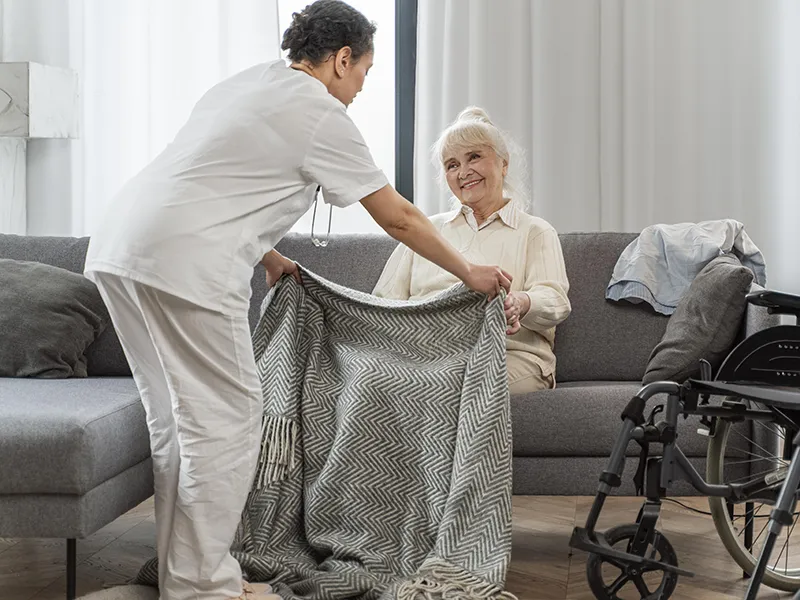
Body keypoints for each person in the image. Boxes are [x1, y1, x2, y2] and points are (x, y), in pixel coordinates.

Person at [82, 2, 512, 599]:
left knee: (176, 425)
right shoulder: (320, 113)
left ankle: (186, 578)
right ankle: (204, 587)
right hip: (187, 266)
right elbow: (400, 217)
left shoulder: (249, 83)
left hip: (120, 247)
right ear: (341, 60)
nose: (362, 86)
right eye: (364, 70)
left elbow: (213, 178)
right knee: (228, 426)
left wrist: (267, 253)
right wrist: (469, 272)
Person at [373, 107, 571, 394]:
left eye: (474, 157)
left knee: (450, 384)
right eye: (452, 165)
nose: (464, 172)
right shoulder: (426, 231)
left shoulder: (535, 231)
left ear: (503, 164)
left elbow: (555, 300)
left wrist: (521, 302)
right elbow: (384, 302)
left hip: (509, 356)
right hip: (428, 357)